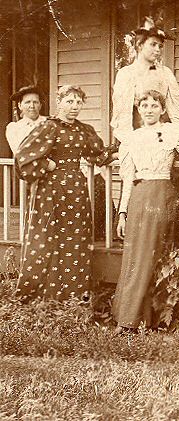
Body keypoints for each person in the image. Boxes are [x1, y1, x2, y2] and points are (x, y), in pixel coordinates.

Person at [15, 85, 118, 302]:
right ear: (59, 101)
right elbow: (22, 157)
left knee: (74, 239)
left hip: (76, 189)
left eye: (78, 102)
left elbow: (98, 155)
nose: (74, 107)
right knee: (48, 239)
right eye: (69, 101)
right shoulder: (48, 127)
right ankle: (42, 296)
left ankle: (72, 296)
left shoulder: (84, 130)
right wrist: (46, 165)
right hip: (50, 190)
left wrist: (122, 153)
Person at [112, 90, 179, 331]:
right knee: (136, 257)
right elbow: (128, 178)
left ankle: (154, 318)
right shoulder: (131, 139)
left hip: (163, 196)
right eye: (144, 105)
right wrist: (122, 213)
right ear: (138, 110)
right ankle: (129, 318)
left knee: (159, 254)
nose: (149, 109)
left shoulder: (172, 132)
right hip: (140, 198)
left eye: (154, 105)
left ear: (162, 109)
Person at [111, 19, 179, 132]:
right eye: (153, 45)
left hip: (163, 135)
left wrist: (178, 135)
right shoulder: (126, 74)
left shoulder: (165, 73)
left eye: (160, 46)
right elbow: (123, 115)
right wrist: (129, 141)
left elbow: (175, 111)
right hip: (136, 135)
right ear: (139, 45)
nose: (157, 50)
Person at [6, 85, 46, 155]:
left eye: (35, 102)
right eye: (27, 102)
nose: (32, 106)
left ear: (40, 105)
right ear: (19, 106)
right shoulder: (14, 128)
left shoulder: (48, 123)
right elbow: (20, 152)